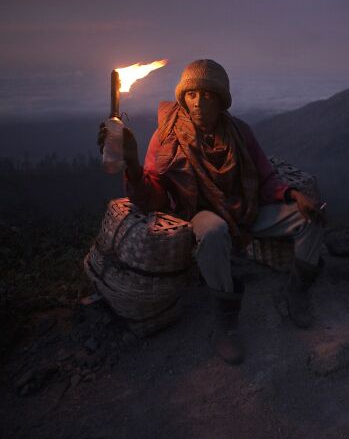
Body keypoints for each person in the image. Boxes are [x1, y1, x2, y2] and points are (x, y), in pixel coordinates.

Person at [98, 59, 325, 365]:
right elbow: (151, 196)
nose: (198, 101)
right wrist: (134, 165)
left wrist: (294, 195)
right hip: (200, 212)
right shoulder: (167, 136)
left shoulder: (239, 132)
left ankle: (297, 291)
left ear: (221, 100)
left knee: (311, 219)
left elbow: (265, 177)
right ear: (183, 97)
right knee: (214, 232)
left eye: (207, 95)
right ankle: (226, 325)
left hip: (245, 208)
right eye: (192, 94)